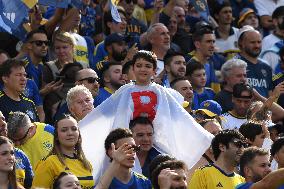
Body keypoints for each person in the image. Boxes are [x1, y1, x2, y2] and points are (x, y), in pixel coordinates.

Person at [79, 50, 213, 181]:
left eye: (148, 66)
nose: (143, 69)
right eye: (139, 65)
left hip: (157, 142)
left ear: (155, 71)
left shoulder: (161, 92)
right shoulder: (125, 90)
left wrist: (204, 136)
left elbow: (181, 116)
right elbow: (105, 111)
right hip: (128, 141)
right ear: (132, 68)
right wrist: (82, 126)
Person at [32, 114, 94, 189]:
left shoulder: (86, 163)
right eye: (64, 130)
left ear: (79, 134)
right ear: (57, 136)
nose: (70, 133)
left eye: (74, 129)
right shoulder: (49, 163)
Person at [237, 25, 273, 97]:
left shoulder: (266, 66)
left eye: (259, 42)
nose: (257, 45)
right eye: (252, 42)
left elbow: (270, 95)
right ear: (242, 43)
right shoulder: (235, 65)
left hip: (265, 107)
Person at [0, 111, 33, 189]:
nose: (3, 123)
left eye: (3, 119)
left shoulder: (21, 155)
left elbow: (30, 184)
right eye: (4, 153)